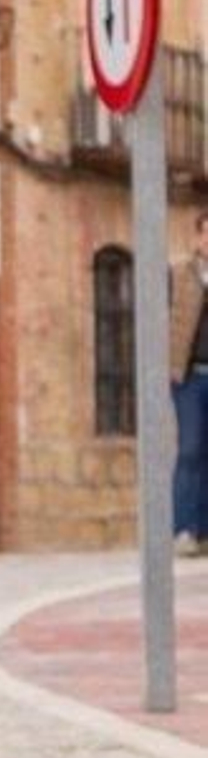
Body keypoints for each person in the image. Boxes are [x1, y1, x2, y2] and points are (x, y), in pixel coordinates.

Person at [169, 207, 208, 553]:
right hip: (190, 376)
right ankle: (184, 529)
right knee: (191, 450)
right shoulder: (179, 273)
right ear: (198, 237)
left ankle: (204, 532)